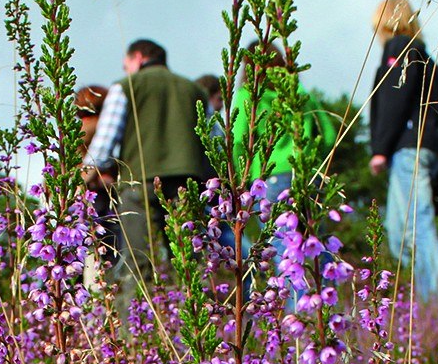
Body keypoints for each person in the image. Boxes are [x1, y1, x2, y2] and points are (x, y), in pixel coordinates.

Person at [81, 39, 212, 312]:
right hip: (188, 186)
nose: (124, 68)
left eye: (126, 62)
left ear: (138, 57)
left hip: (138, 185)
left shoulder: (126, 87)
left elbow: (104, 146)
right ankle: (199, 339)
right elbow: (215, 143)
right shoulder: (195, 90)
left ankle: (136, 344)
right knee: (191, 267)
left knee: (136, 267)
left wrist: (81, 177)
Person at [227, 41, 334, 301]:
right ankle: (324, 307)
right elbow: (329, 134)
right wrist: (312, 156)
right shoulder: (298, 90)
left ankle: (296, 311)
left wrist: (241, 179)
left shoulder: (247, 96)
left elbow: (238, 140)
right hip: (307, 174)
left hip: (271, 178)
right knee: (316, 244)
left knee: (284, 247)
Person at [368, 0, 438, 299]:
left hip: (408, 147)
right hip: (422, 147)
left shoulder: (399, 47)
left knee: (415, 227)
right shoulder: (422, 54)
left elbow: (394, 99)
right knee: (398, 232)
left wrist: (380, 148)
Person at [74, 84, 119, 260]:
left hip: (73, 204)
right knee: (103, 257)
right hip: (98, 201)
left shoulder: (75, 129)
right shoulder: (100, 127)